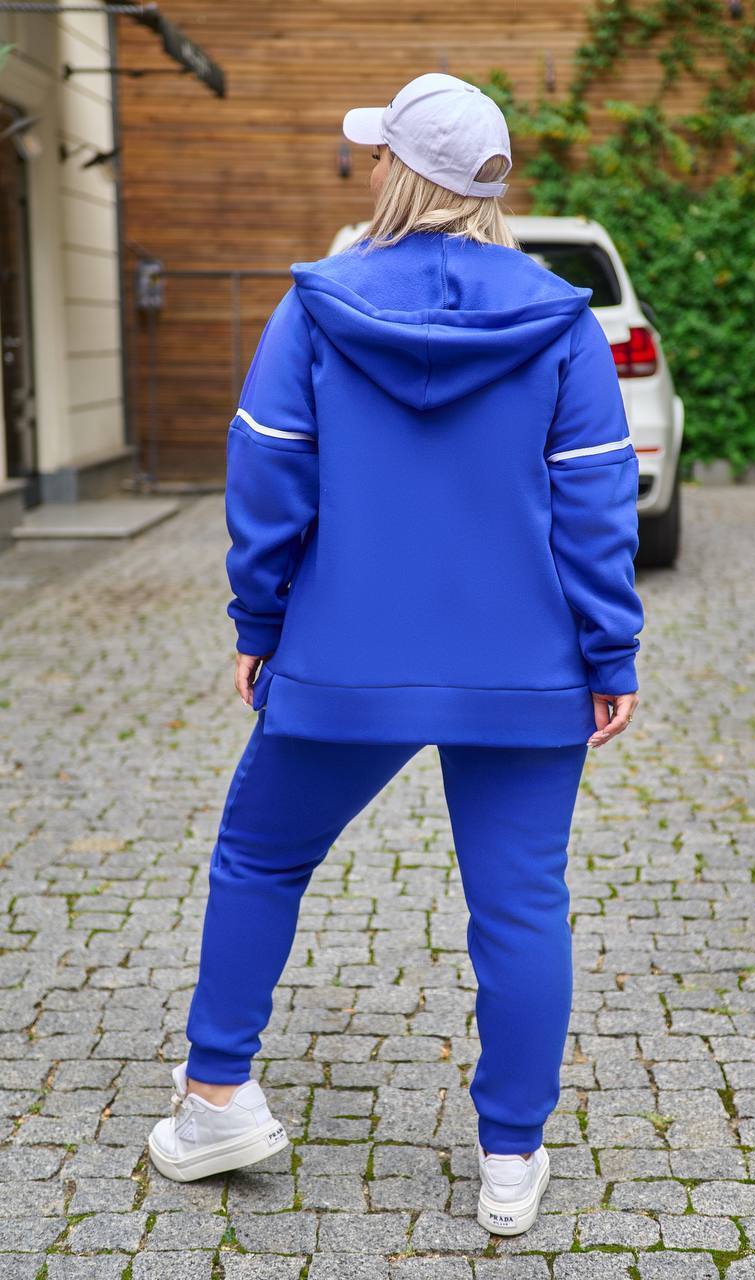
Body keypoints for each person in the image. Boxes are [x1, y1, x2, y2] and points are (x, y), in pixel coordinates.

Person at [147, 71, 643, 1236]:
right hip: (525, 668)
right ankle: (510, 1158)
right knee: (519, 903)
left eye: (377, 152)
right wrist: (608, 653)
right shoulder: (560, 322)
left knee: (259, 856)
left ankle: (216, 1097)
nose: (367, 165)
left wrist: (258, 624)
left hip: (343, 659)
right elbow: (593, 504)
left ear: (403, 172)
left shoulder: (316, 307)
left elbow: (267, 481)